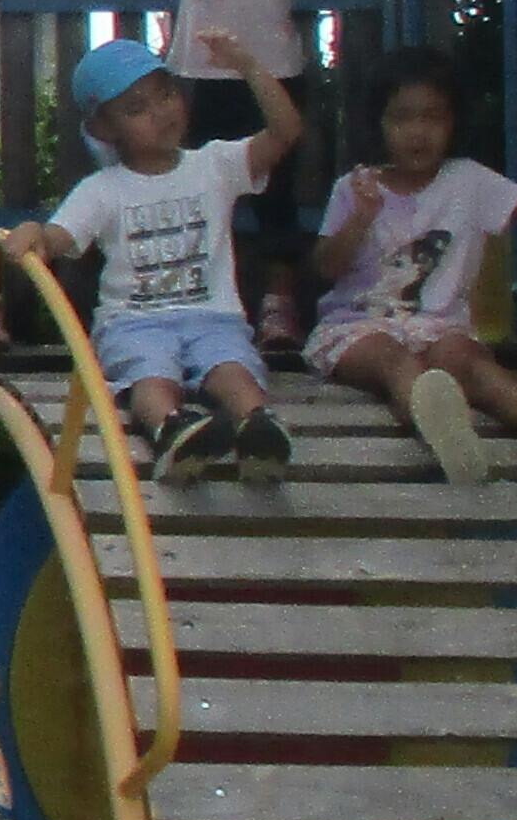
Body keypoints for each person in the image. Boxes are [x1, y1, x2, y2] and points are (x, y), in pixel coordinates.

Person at [309, 50, 517, 487]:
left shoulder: (470, 181)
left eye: (433, 118)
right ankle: (447, 433)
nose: (418, 132)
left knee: (469, 363)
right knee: (394, 361)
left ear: (453, 123)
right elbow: (326, 267)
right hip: (356, 326)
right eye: (402, 118)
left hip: (440, 326)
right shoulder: (355, 187)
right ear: (379, 124)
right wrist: (360, 217)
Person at [18, 29, 303, 482]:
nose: (161, 112)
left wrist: (247, 66)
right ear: (104, 129)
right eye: (137, 109)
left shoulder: (215, 165)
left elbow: (285, 133)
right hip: (134, 322)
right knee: (150, 374)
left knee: (232, 366)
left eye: (166, 95)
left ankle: (258, 429)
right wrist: (35, 231)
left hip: (213, 316)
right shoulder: (102, 190)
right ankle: (172, 430)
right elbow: (57, 238)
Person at [141, 0, 348, 354]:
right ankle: (210, 296)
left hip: (268, 66)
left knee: (274, 189)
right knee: (200, 184)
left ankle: (279, 303)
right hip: (198, 67)